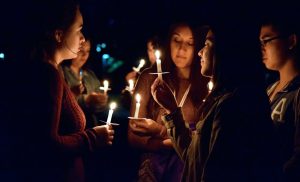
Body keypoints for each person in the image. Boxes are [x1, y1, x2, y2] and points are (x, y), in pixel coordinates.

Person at [0, 0, 114, 181]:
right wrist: (93, 137)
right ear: (59, 35)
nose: (83, 38)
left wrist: (73, 97)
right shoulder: (47, 74)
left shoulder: (50, 71)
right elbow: (46, 144)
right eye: (78, 29)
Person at [151, 23, 278, 181]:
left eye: (207, 44)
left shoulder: (233, 107)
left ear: (226, 52)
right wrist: (172, 111)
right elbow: (194, 159)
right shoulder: (224, 101)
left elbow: (216, 173)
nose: (199, 52)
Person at [128, 22, 208, 181]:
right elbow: (133, 136)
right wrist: (171, 142)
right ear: (168, 42)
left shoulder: (206, 85)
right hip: (152, 172)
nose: (182, 49)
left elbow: (204, 142)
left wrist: (158, 132)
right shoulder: (149, 78)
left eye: (190, 43)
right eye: (177, 40)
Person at [260, 17, 300, 181]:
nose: (261, 48)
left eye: (266, 41)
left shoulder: (297, 93)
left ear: (291, 41)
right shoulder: (269, 89)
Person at [61, 38, 108, 128]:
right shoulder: (62, 73)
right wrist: (84, 100)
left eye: (88, 51)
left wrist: (101, 101)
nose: (85, 55)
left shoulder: (90, 75)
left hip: (91, 126)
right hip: (70, 128)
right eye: (81, 50)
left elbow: (101, 104)